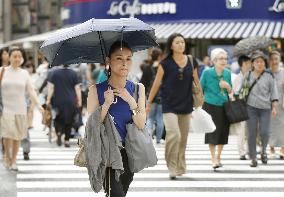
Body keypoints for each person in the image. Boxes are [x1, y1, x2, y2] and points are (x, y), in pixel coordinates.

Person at [87, 41, 146, 196]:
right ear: (108, 61)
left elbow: (141, 123)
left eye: (128, 58)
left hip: (130, 152)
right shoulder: (96, 90)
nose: (125, 63)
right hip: (107, 152)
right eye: (119, 58)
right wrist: (106, 104)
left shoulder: (138, 89)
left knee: (121, 192)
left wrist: (131, 101)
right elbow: (91, 125)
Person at [146, 33, 201, 179]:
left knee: (183, 138)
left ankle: (180, 166)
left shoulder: (191, 61)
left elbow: (196, 82)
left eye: (182, 42)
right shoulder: (165, 64)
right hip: (169, 104)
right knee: (174, 134)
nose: (181, 44)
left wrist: (200, 100)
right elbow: (156, 84)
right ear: (171, 45)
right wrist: (149, 103)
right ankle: (171, 166)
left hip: (186, 104)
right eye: (177, 42)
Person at [0, 47, 43, 171]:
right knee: (8, 135)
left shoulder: (24, 74)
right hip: (5, 110)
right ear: (9, 57)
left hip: (20, 109)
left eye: (19, 56)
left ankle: (13, 160)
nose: (17, 59)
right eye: (15, 56)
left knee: (17, 137)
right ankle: (7, 156)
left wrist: (39, 105)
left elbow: (31, 91)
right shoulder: (2, 71)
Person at [244, 50, 278, 167]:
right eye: (257, 62)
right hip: (250, 108)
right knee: (251, 133)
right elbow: (243, 91)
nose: (260, 64)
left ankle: (263, 151)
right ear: (252, 63)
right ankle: (253, 158)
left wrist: (274, 107)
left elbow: (274, 92)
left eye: (262, 62)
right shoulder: (248, 75)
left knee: (265, 132)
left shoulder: (269, 76)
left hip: (265, 108)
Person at [200, 48, 232, 170]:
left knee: (223, 132)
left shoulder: (228, 73)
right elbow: (201, 88)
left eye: (225, 58)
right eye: (221, 59)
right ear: (214, 60)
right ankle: (213, 158)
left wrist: (227, 86)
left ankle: (219, 156)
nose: (224, 61)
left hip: (224, 105)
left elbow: (230, 91)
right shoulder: (207, 73)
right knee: (212, 132)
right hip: (210, 105)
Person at [46, 64, 82, 147]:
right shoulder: (73, 73)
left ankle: (58, 132)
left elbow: (51, 88)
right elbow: (77, 88)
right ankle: (66, 140)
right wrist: (79, 100)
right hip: (70, 101)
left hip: (57, 100)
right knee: (69, 120)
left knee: (58, 118)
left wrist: (48, 99)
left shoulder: (54, 73)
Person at [140, 48, 164, 144]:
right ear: (159, 56)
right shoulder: (162, 67)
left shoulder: (147, 67)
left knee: (150, 118)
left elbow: (142, 82)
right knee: (160, 118)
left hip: (150, 96)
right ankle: (158, 139)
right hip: (162, 96)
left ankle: (148, 137)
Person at [232, 55, 251, 160]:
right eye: (248, 63)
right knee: (241, 130)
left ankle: (249, 149)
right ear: (243, 64)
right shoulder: (237, 78)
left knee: (251, 130)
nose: (250, 65)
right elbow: (234, 93)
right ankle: (242, 152)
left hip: (251, 106)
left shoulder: (252, 76)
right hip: (240, 106)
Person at [268, 50, 284, 159]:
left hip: (282, 103)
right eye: (272, 59)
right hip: (269, 104)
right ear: (269, 61)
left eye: (276, 59)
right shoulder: (266, 73)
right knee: (271, 126)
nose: (274, 61)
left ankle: (283, 148)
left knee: (283, 126)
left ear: (280, 60)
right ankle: (271, 148)